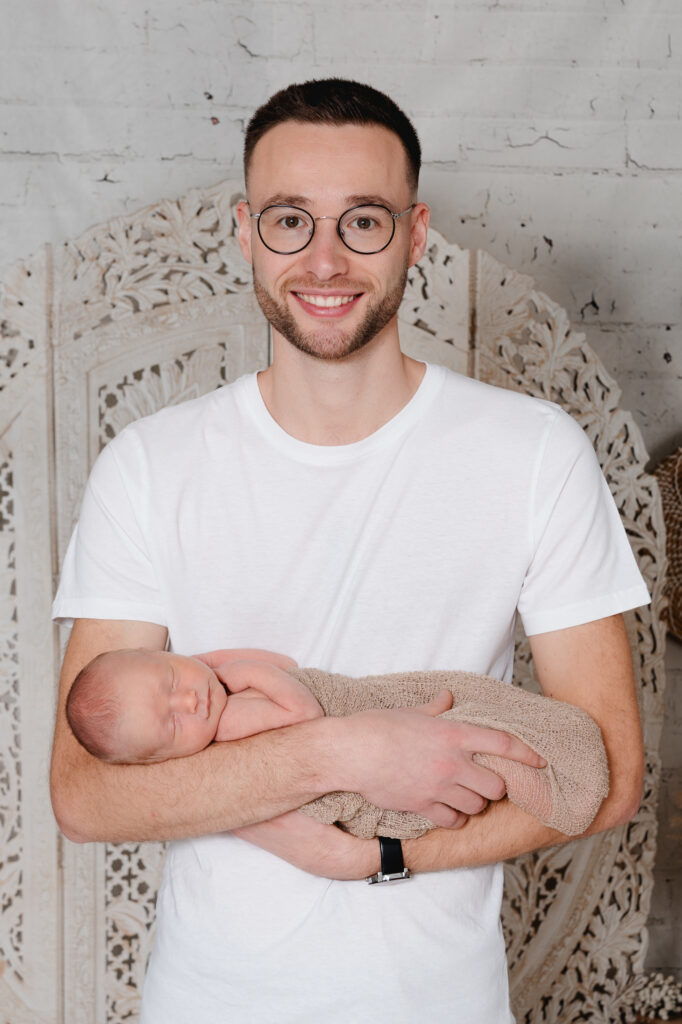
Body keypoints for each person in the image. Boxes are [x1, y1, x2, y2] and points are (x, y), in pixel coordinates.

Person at [50, 78, 650, 1023]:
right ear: (245, 232)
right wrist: (340, 750)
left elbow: (605, 773)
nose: (323, 259)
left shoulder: (534, 452)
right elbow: (85, 796)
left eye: (363, 222)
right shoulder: (149, 465)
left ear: (415, 235)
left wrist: (377, 855)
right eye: (290, 220)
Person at [65, 646, 610, 839]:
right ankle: (558, 782)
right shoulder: (229, 725)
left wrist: (213, 669)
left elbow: (284, 664)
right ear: (165, 759)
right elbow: (304, 712)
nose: (189, 702)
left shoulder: (215, 701)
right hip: (359, 743)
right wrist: (243, 670)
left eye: (171, 680)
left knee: (469, 729)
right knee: (484, 741)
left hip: (377, 734)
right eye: (172, 725)